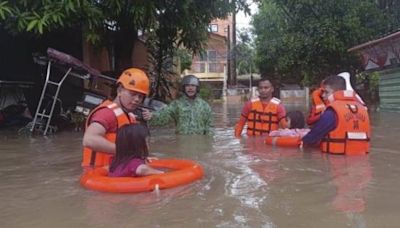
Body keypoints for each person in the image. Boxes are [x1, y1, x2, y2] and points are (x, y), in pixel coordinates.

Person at [82, 68, 152, 168]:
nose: (137, 99)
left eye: (140, 96)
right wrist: (126, 152)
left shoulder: (129, 116)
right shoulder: (106, 113)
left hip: (115, 172)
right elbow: (89, 140)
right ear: (119, 90)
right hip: (98, 174)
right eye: (132, 94)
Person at [302, 75, 370, 155]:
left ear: (336, 92)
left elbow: (311, 138)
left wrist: (300, 142)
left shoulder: (332, 112)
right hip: (361, 160)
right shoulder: (362, 109)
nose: (323, 96)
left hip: (336, 161)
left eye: (326, 92)